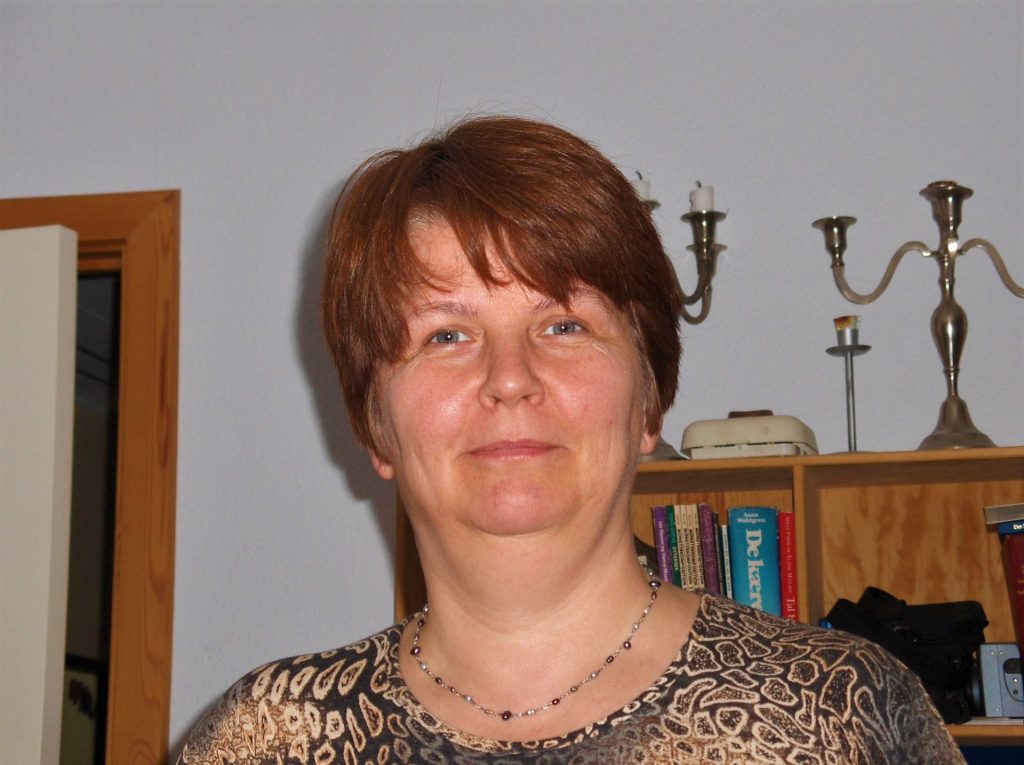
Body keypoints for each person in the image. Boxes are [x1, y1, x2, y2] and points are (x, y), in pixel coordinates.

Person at [178, 116, 965, 764]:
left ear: (649, 398)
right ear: (373, 422)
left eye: (563, 324)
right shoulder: (265, 739)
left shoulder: (843, 714)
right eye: (446, 334)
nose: (510, 378)